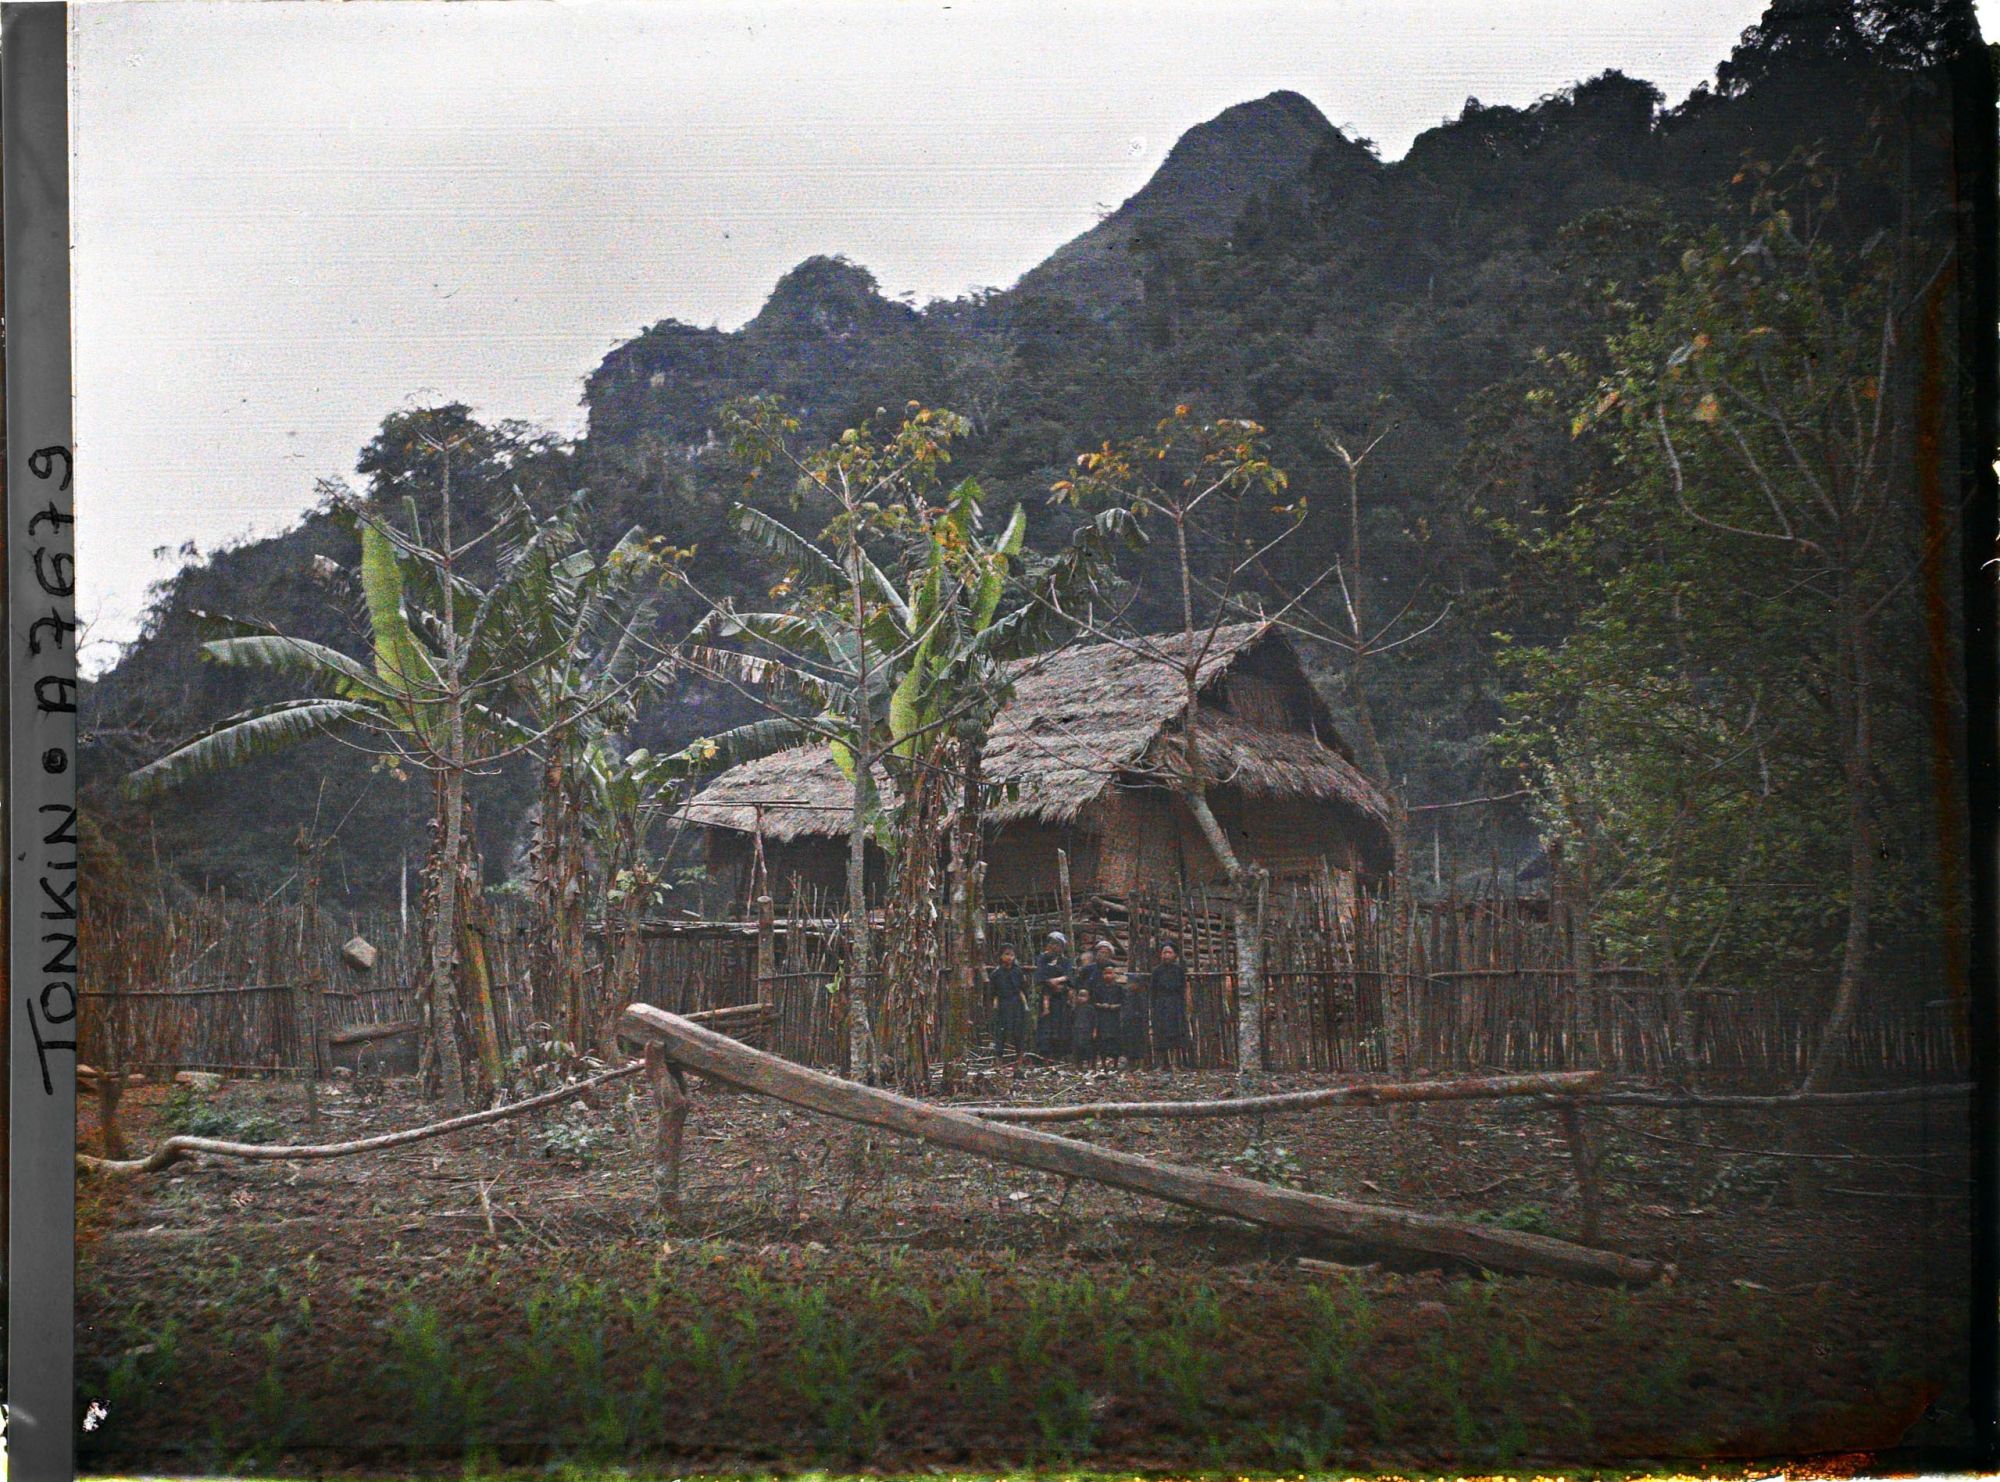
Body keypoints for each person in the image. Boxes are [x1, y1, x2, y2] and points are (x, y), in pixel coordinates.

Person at [1149, 940, 1192, 1069]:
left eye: (1169, 952)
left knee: (1174, 1033)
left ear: (1175, 955)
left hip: (1175, 1005)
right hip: (1161, 1005)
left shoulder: (1179, 970)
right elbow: (1153, 989)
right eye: (1164, 953)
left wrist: (1183, 1005)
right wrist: (1154, 1006)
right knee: (1160, 1033)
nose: (1166, 955)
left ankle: (1174, 1063)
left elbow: (1183, 989)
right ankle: (1161, 1064)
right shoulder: (1157, 971)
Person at [1085, 939, 1126, 1068]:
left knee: (1115, 1039)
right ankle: (1099, 1063)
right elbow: (1092, 998)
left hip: (1114, 1017)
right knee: (1100, 1038)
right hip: (1100, 1016)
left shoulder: (1119, 988)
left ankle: (1114, 1063)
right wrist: (1100, 1005)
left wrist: (1115, 1006)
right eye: (1100, 952)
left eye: (1105, 952)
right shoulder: (1093, 977)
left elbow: (1123, 1002)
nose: (1102, 955)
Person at [987, 943, 1030, 1068]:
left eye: (1012, 955)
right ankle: (998, 1064)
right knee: (1000, 1034)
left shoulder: (1018, 972)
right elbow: (993, 993)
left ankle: (1019, 1063)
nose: (1009, 957)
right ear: (1001, 956)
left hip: (1016, 1004)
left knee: (1018, 1034)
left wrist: (1025, 1006)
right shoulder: (996, 974)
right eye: (1006, 954)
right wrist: (995, 1007)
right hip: (1003, 1004)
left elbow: (1022, 990)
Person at [1033, 933, 1073, 1064]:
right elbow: (1040, 977)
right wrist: (1050, 982)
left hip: (1061, 1000)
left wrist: (1059, 980)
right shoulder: (1042, 959)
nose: (1054, 946)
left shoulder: (1065, 961)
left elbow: (1069, 977)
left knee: (1061, 1028)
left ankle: (1059, 1057)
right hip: (1047, 998)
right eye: (1052, 943)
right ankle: (1045, 1058)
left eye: (1057, 944)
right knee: (1045, 1028)